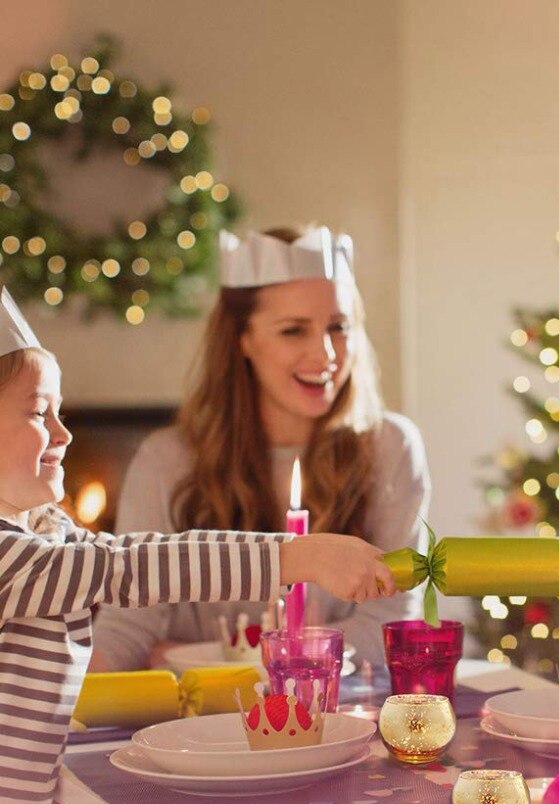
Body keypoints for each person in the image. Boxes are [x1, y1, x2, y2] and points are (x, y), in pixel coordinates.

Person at [0, 288, 393, 804]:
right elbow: (129, 566)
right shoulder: (16, 560)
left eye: (61, 410)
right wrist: (293, 556)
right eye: (40, 414)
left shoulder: (38, 532)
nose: (64, 434)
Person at [93, 226, 430, 670]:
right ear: (243, 339)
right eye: (293, 331)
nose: (325, 353)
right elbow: (128, 621)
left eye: (338, 327)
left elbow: (392, 624)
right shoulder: (167, 461)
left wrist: (196, 658)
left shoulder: (391, 447)